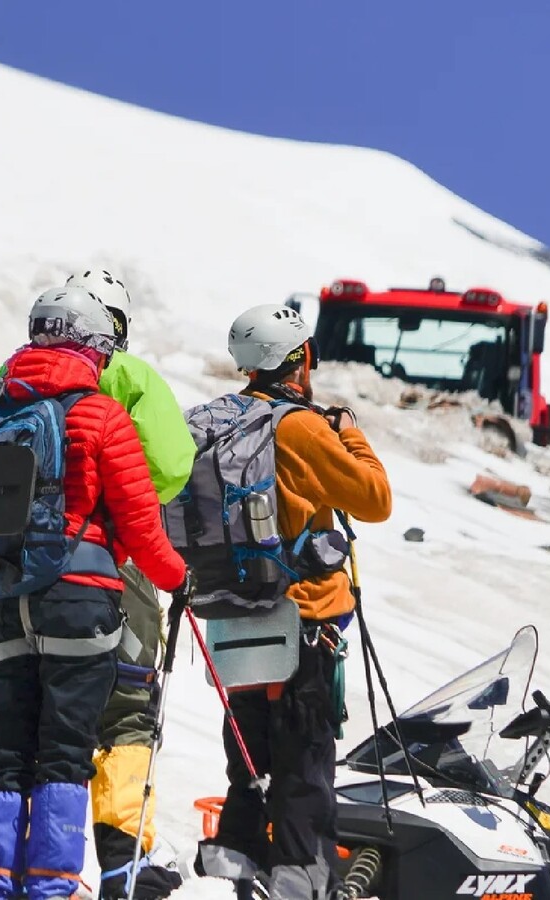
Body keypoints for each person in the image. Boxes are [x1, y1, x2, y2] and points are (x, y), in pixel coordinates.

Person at [0, 269, 195, 899]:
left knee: (2, 756)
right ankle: (48, 888)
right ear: (97, 343)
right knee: (65, 755)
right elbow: (142, 525)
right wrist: (179, 579)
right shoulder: (99, 415)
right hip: (77, 600)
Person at [195, 305, 392, 900]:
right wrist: (347, 429)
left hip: (231, 608)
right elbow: (375, 498)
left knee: (249, 753)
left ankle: (235, 856)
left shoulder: (215, 422)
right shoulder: (302, 426)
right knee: (305, 755)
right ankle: (302, 875)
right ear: (300, 359)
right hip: (304, 617)